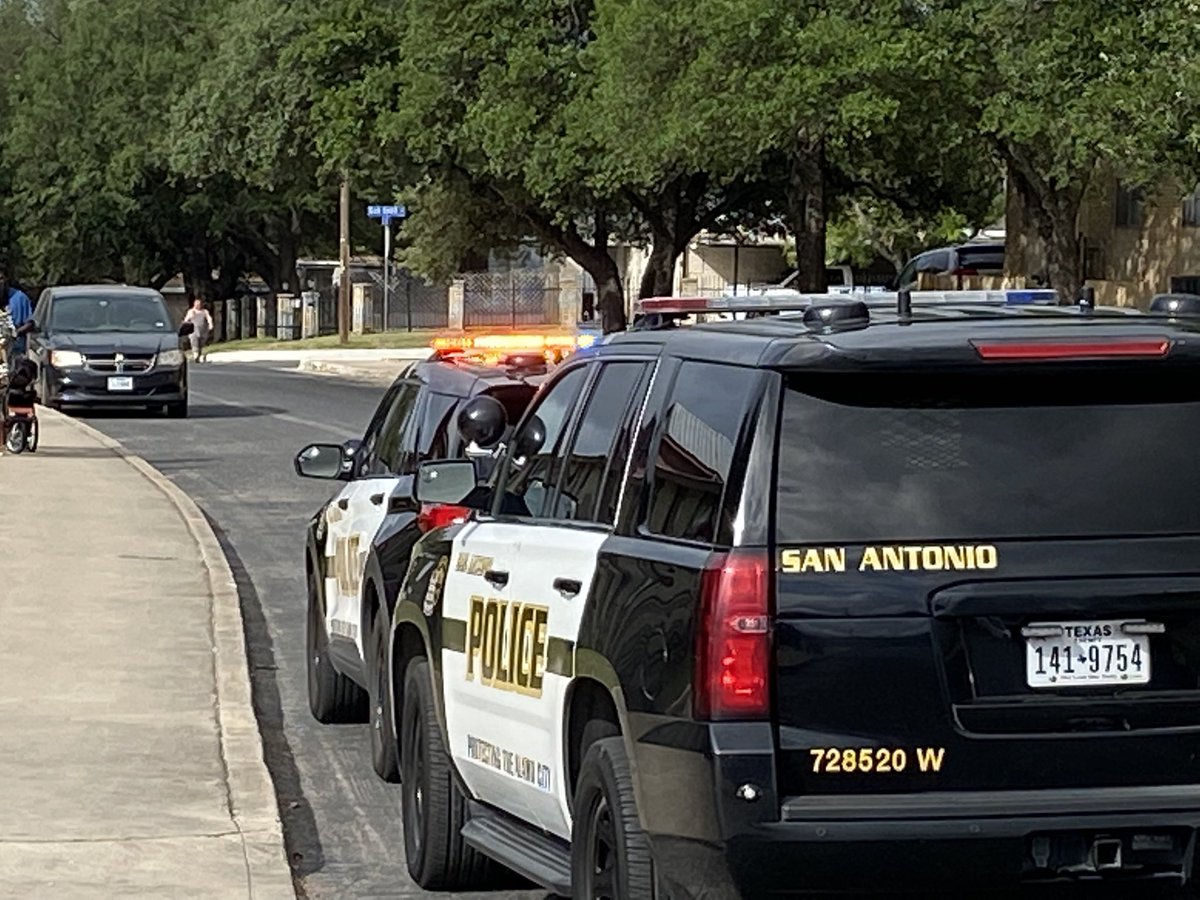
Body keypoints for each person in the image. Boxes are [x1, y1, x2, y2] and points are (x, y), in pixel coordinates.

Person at [0, 267, 33, 373]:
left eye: (1, 278)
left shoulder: (20, 298)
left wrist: (14, 333)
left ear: (6, 279)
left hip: (16, 353)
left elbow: (30, 323)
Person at [183, 297, 214, 362]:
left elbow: (209, 318)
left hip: (203, 331)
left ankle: (198, 355)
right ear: (194, 304)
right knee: (194, 343)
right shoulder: (191, 311)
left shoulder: (205, 311)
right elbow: (186, 320)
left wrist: (210, 324)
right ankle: (195, 355)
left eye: (199, 304)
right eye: (196, 304)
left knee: (201, 344)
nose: (198, 305)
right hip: (193, 331)